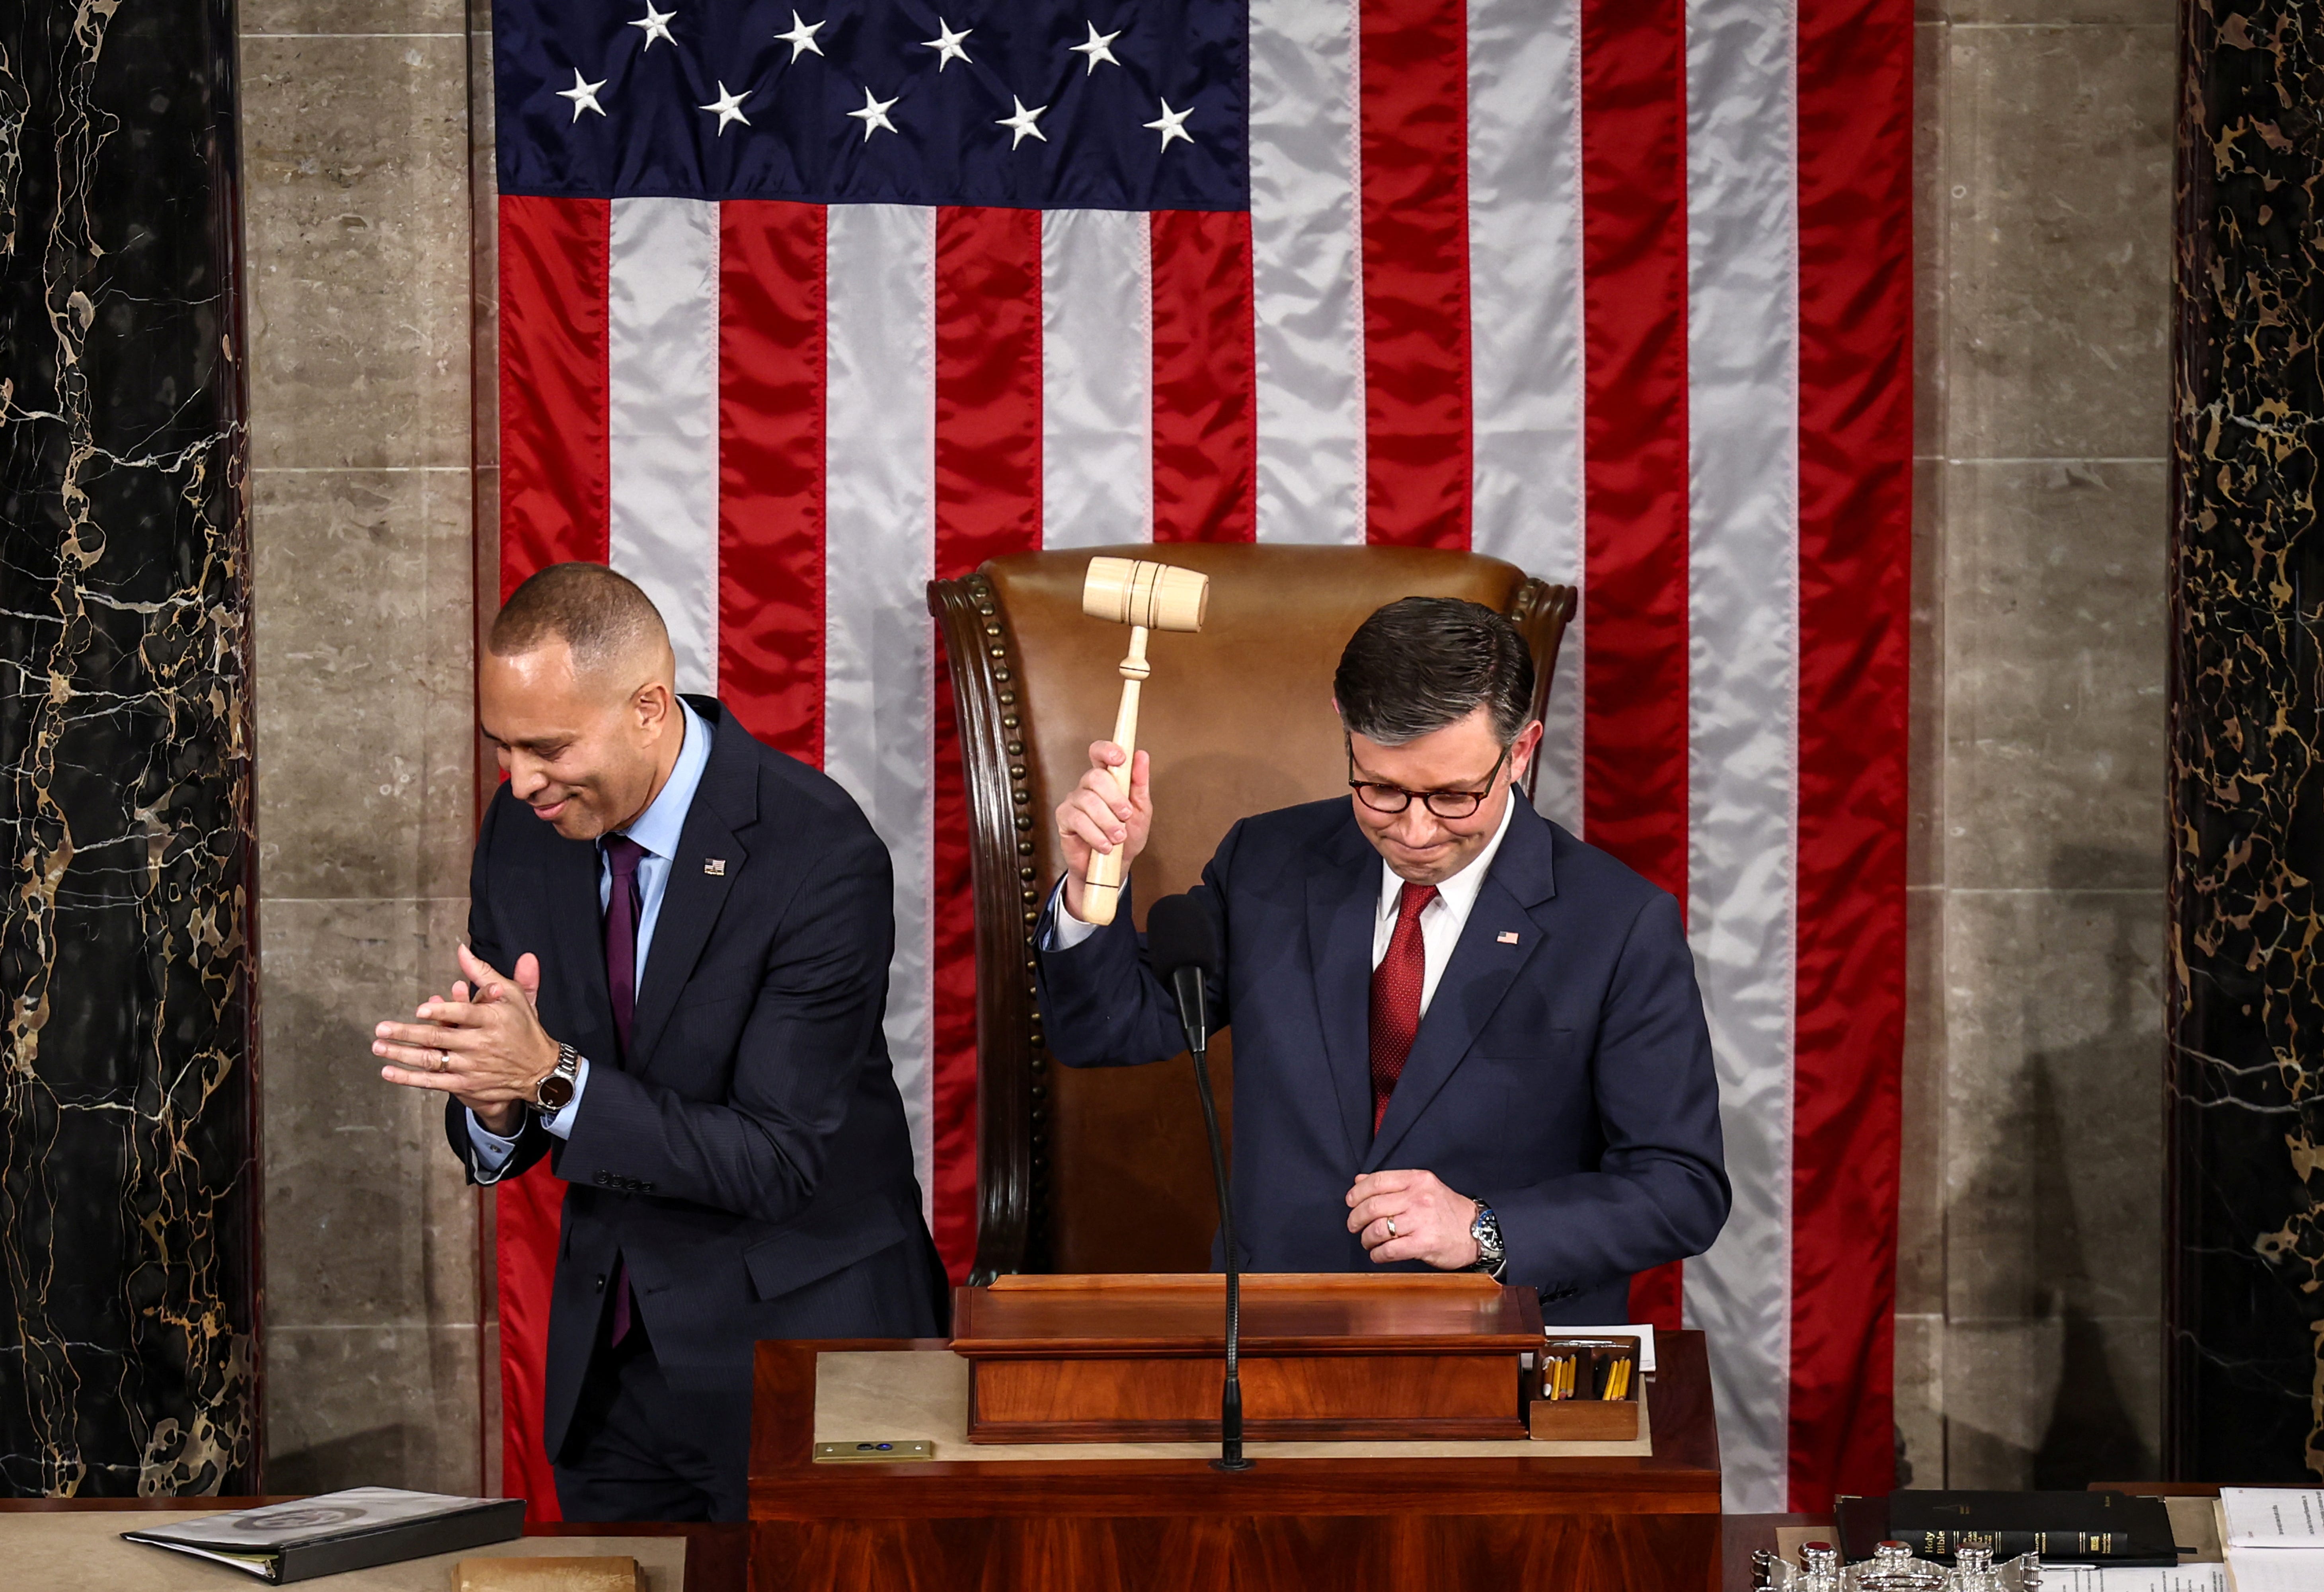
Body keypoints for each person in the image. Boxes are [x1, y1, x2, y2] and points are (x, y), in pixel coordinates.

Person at [371, 562, 945, 1522]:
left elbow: (775, 1156)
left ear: (648, 705)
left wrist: (547, 1074)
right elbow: (524, 1092)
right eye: (502, 747)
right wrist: (494, 1102)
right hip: (615, 1376)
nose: (520, 782)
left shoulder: (818, 854)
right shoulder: (523, 834)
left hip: (804, 1365)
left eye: (548, 746)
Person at [1036, 596, 1729, 1324]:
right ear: (1346, 728)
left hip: (1496, 1352)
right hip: (1276, 1338)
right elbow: (1105, 1033)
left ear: (1520, 752)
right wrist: (1093, 886)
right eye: (1384, 790)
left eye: (1456, 795)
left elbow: (1681, 1186)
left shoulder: (1618, 923)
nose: (1418, 830)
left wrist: (1483, 1229)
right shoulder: (1267, 863)